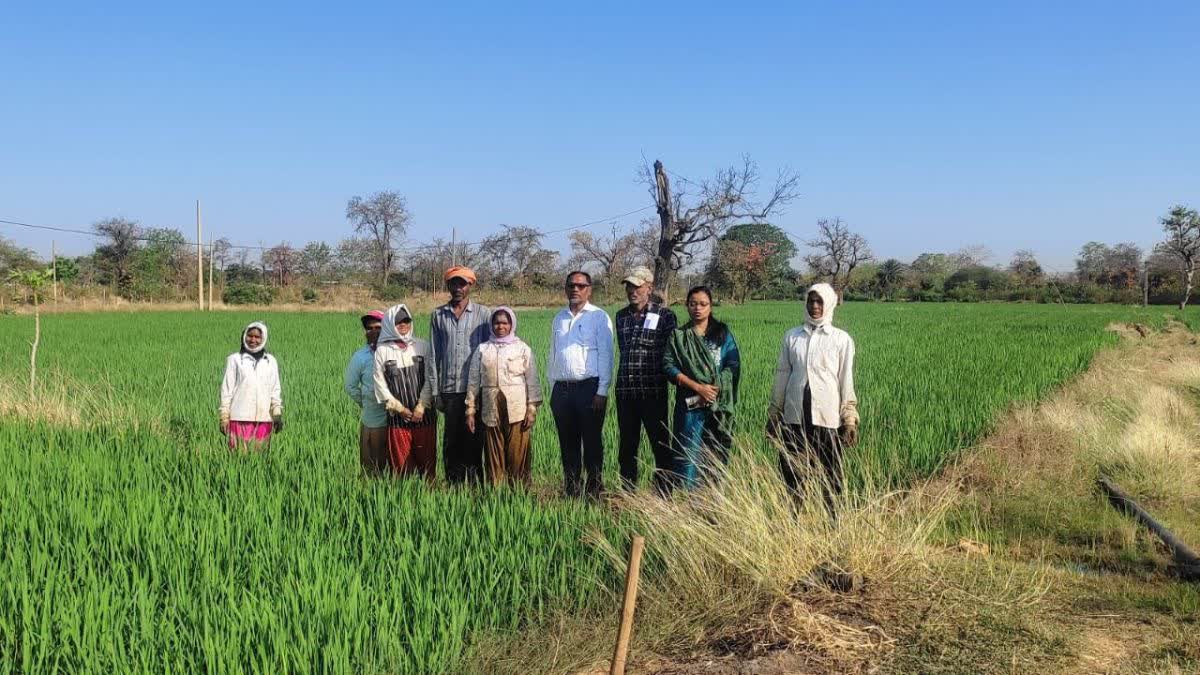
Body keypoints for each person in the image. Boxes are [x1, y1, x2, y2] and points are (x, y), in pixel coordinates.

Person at [767, 283, 859, 515]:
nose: (814, 306)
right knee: (792, 472)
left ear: (829, 304)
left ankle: (833, 521)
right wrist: (774, 414)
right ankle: (793, 521)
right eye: (811, 301)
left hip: (826, 418)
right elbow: (782, 376)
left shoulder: (841, 339)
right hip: (794, 416)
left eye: (819, 301)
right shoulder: (792, 337)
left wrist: (849, 418)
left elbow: (845, 379)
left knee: (831, 474)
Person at [663, 286, 741, 488]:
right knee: (689, 451)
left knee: (715, 450)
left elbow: (733, 364)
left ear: (710, 306)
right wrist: (698, 387)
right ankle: (690, 501)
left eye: (703, 304)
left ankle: (713, 499)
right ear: (687, 306)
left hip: (718, 403)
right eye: (693, 304)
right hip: (690, 404)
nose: (697, 308)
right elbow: (669, 366)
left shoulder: (722, 334)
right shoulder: (679, 336)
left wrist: (714, 389)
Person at [548, 270, 614, 498]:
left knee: (592, 442)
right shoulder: (559, 317)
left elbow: (606, 355)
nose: (575, 289)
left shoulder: (599, 317)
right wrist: (552, 387)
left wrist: (602, 391)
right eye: (571, 285)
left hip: (589, 389)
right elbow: (553, 353)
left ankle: (595, 490)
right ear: (566, 288)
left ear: (589, 289)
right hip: (562, 390)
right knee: (567, 443)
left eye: (581, 285)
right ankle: (572, 489)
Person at [613, 266, 677, 493]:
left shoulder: (665, 316)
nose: (632, 291)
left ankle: (664, 492)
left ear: (649, 288)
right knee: (627, 447)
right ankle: (628, 493)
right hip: (625, 393)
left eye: (637, 286)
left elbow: (671, 353)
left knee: (660, 445)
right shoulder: (621, 317)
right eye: (629, 286)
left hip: (653, 392)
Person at [465, 307, 542, 487]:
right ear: (492, 325)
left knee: (517, 452)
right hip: (491, 405)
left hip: (517, 407)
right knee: (493, 451)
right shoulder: (483, 349)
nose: (501, 326)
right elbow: (474, 380)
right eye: (497, 322)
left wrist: (531, 409)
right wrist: (470, 408)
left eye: (505, 323)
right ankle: (496, 493)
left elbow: (532, 379)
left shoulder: (522, 348)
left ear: (511, 324)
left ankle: (519, 493)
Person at [430, 266, 491, 484]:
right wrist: (435, 392)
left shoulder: (484, 314)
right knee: (452, 442)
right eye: (454, 283)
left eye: (462, 283)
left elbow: (492, 350)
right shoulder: (438, 315)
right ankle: (454, 488)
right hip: (449, 389)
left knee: (475, 441)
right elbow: (434, 355)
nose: (458, 288)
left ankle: (475, 488)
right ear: (448, 285)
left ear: (470, 285)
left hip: (475, 390)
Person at [374, 304, 437, 480]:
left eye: (406, 320)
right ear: (389, 324)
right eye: (398, 321)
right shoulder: (383, 351)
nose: (403, 324)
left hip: (424, 417)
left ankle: (430, 501)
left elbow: (430, 378)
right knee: (402, 467)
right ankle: (406, 500)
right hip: (397, 419)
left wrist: (421, 406)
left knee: (428, 465)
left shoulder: (422, 346)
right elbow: (380, 384)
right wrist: (400, 409)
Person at [219, 321, 283, 451]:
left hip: (264, 419)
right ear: (244, 337)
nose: (253, 340)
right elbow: (227, 390)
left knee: (261, 458)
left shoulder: (271, 361)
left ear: (263, 338)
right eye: (250, 336)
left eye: (257, 337)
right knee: (238, 458)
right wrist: (224, 416)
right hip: (239, 418)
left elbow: (275, 389)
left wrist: (277, 414)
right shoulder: (235, 360)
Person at [344, 310, 388, 474]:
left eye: (378, 327)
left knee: (394, 468)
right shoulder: (361, 356)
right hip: (374, 418)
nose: (374, 331)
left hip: (398, 418)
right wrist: (367, 403)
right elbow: (350, 386)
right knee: (372, 466)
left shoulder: (395, 352)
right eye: (369, 328)